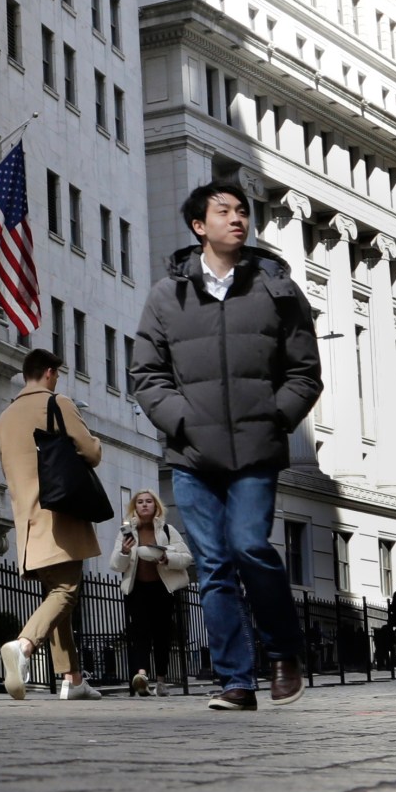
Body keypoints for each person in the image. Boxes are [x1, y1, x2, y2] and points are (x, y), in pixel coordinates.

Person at [130, 180, 324, 712]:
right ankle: (236, 680)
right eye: (224, 211)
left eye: (242, 211)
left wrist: (273, 417)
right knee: (213, 566)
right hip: (192, 455)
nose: (237, 218)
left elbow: (305, 373)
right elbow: (146, 373)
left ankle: (285, 652)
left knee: (250, 547)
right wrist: (183, 421)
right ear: (200, 226)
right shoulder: (167, 296)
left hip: (255, 453)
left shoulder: (276, 288)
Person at [0, 348, 108, 701]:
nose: (57, 378)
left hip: (27, 517)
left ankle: (73, 680)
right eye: (57, 373)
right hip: (59, 512)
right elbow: (90, 453)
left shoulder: (4, 417)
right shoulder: (57, 402)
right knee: (67, 591)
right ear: (48, 372)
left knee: (56, 594)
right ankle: (24, 646)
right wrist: (97, 442)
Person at [112, 488, 186, 696]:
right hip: (137, 589)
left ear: (156, 506)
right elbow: (116, 565)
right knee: (140, 632)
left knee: (162, 635)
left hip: (162, 588)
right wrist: (124, 552)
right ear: (134, 507)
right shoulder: (126, 533)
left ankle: (161, 680)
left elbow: (186, 557)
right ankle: (142, 676)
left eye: (149, 501)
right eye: (140, 502)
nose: (144, 505)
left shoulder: (168, 531)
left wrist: (167, 558)